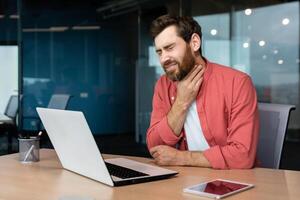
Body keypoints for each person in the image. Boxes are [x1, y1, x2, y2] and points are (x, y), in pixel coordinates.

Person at [146, 15, 259, 169]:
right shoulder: (163, 85)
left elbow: (242, 156)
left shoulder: (238, 83)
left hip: (232, 180)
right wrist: (181, 103)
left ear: (194, 43)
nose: (163, 58)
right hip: (184, 180)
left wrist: (181, 157)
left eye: (170, 48)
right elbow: (155, 147)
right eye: (159, 52)